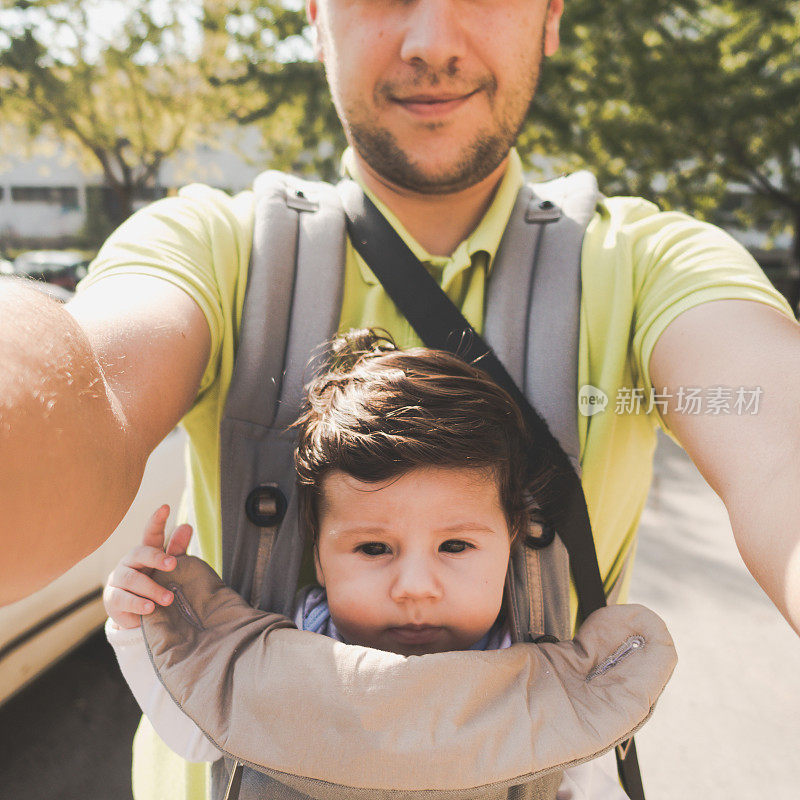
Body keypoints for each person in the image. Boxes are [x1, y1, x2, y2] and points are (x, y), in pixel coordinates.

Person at [0, 0, 798, 798]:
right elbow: (84, 390)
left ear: (551, 13)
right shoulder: (215, 249)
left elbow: (778, 449)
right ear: (316, 15)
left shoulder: (654, 263)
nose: (430, 42)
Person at [103, 331, 638, 800]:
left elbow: (583, 775)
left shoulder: (534, 673)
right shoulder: (286, 648)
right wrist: (136, 625)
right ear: (317, 551)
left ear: (512, 540)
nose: (414, 588)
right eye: (374, 549)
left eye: (455, 547)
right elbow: (200, 733)